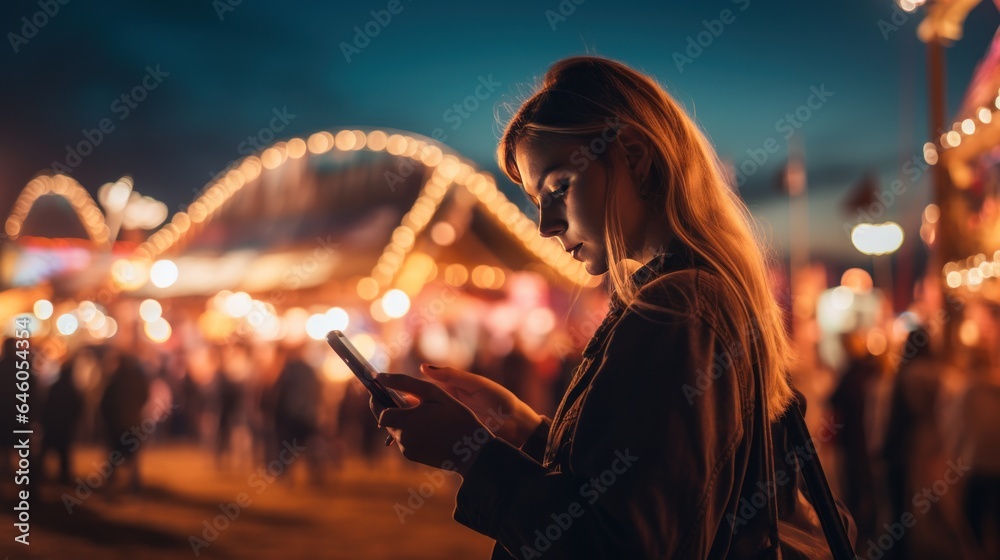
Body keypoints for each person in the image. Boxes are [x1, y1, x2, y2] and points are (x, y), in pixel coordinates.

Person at [371, 56, 855, 558]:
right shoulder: (695, 294)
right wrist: (527, 430)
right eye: (538, 200)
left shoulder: (677, 306)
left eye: (560, 186)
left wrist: (470, 455)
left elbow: (625, 544)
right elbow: (653, 486)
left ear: (636, 157)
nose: (546, 225)